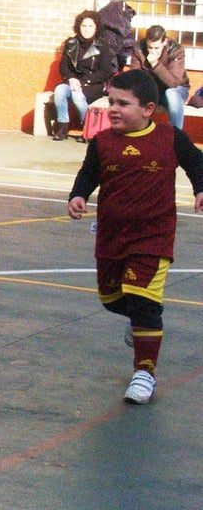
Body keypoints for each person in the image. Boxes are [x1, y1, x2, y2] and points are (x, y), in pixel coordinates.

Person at [67, 69, 203, 405]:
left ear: (147, 108)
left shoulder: (171, 138)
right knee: (112, 300)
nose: (113, 108)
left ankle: (144, 372)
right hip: (112, 237)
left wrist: (201, 189)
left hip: (154, 237)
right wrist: (78, 195)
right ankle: (141, 320)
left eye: (123, 103)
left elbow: (197, 165)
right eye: (111, 101)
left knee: (144, 303)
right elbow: (88, 174)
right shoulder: (102, 142)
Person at [52, 10, 114, 143]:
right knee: (59, 91)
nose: (86, 29)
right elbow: (63, 67)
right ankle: (62, 127)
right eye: (84, 26)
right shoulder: (71, 43)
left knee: (77, 95)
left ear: (96, 27)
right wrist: (71, 78)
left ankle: (87, 128)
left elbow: (105, 71)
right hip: (73, 82)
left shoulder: (102, 46)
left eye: (90, 26)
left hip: (93, 84)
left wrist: (83, 81)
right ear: (78, 26)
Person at [128, 25, 190, 130]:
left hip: (177, 90)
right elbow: (135, 77)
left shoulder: (175, 50)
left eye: (156, 48)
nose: (153, 51)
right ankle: (135, 135)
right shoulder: (138, 48)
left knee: (171, 93)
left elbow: (173, 83)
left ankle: (175, 135)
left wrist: (155, 64)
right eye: (150, 47)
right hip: (153, 90)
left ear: (164, 42)